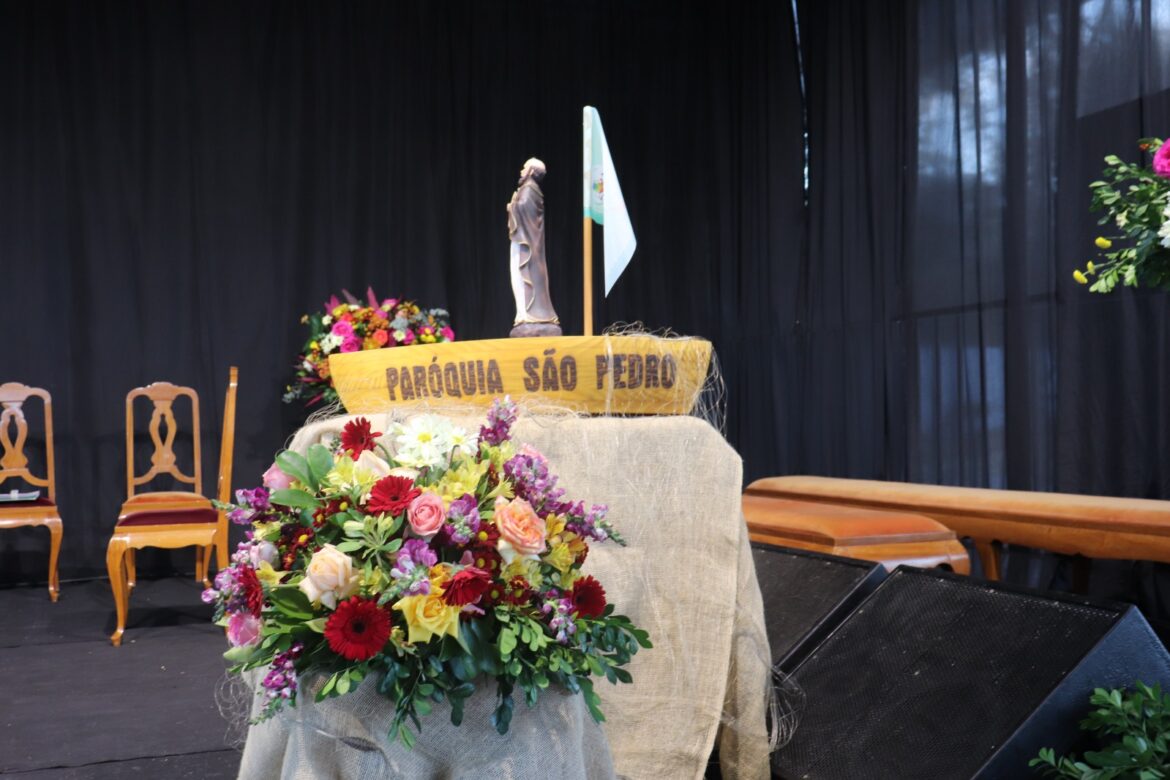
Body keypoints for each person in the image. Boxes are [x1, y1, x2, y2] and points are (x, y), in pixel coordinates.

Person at [508, 158, 562, 337]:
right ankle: (526, 315)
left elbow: (522, 206)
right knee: (522, 278)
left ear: (531, 171)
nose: (521, 171)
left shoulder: (529, 189)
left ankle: (528, 315)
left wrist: (512, 206)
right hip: (527, 239)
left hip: (525, 242)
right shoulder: (533, 190)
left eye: (524, 168)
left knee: (521, 276)